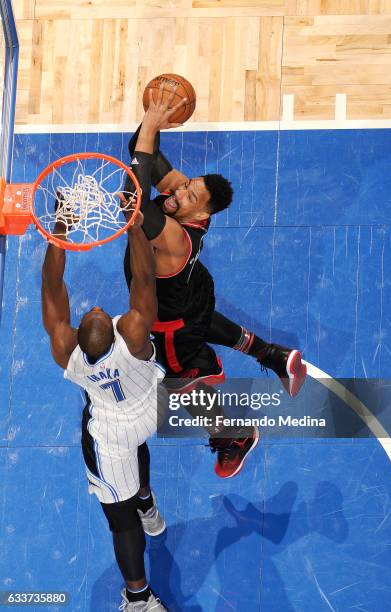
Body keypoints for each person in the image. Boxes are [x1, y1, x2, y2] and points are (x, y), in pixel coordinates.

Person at [123, 86, 306, 480]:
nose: (178, 192)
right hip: (190, 292)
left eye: (189, 196)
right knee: (197, 317)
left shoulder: (174, 237)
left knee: (180, 381)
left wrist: (152, 128)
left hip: (168, 317)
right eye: (185, 185)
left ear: (200, 213)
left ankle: (232, 435)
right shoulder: (188, 202)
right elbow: (141, 151)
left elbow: (132, 203)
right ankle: (272, 354)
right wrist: (154, 118)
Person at [41, 204, 168, 611]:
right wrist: (135, 230)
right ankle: (145, 503)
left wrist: (61, 229)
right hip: (150, 411)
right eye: (98, 313)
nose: (96, 306)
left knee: (119, 518)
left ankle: (139, 598)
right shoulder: (132, 335)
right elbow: (144, 278)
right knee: (134, 471)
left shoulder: (67, 351)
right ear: (113, 332)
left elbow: (52, 285)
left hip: (112, 433)